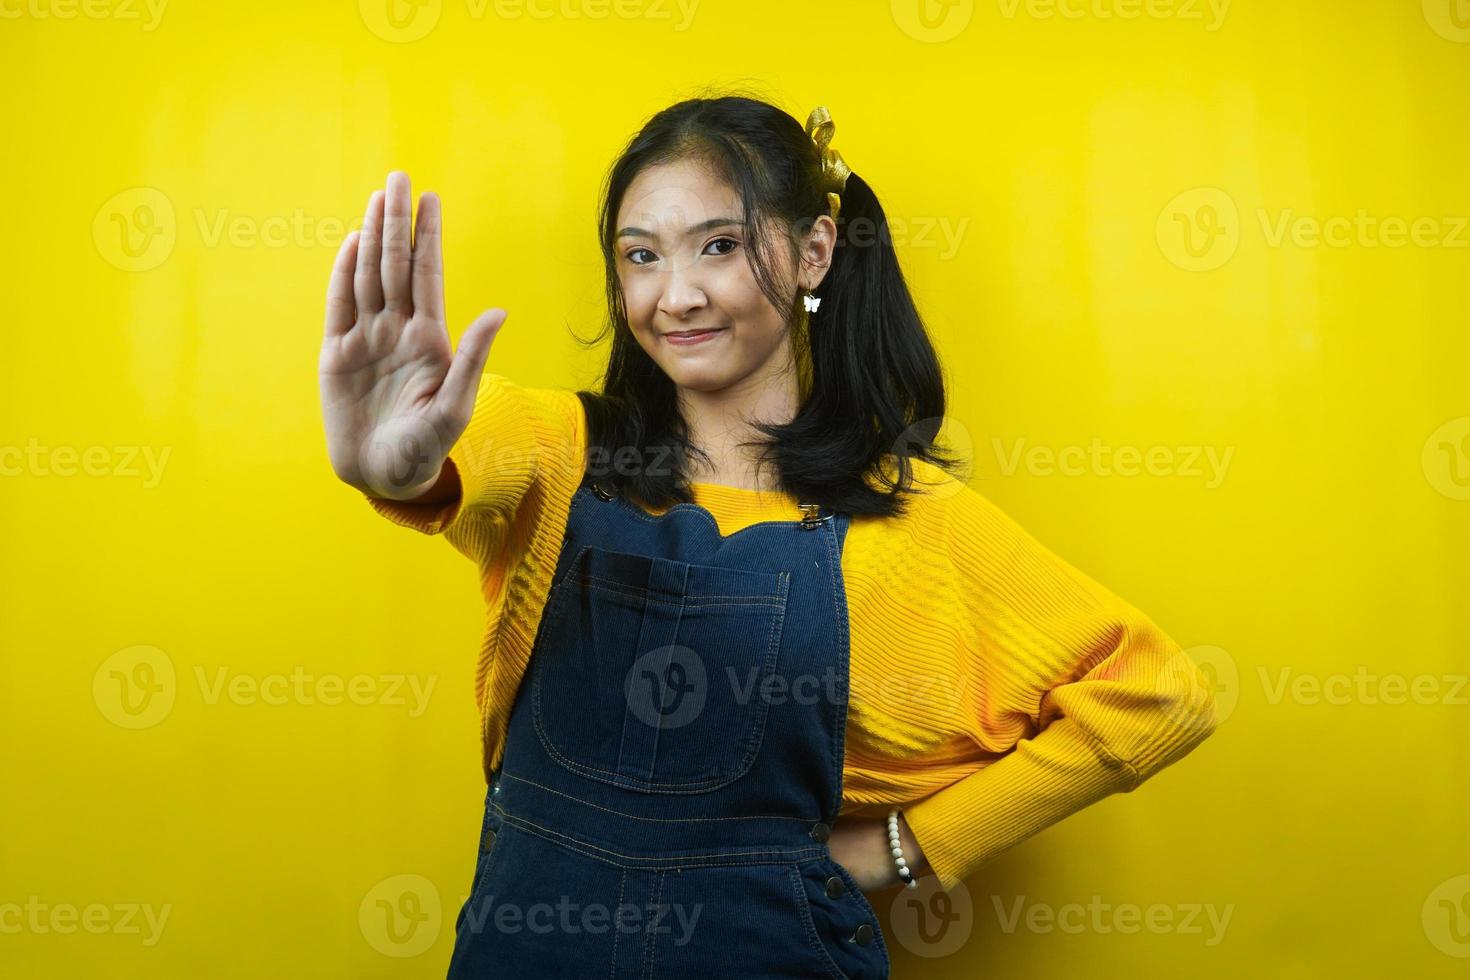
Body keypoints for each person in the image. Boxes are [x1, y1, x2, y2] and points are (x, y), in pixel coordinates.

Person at [319, 95, 1218, 979]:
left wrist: (913, 846)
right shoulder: (558, 451)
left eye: (720, 245)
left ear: (815, 251)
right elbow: (463, 455)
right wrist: (394, 468)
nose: (676, 296)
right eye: (641, 257)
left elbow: (1160, 692)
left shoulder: (910, 520)